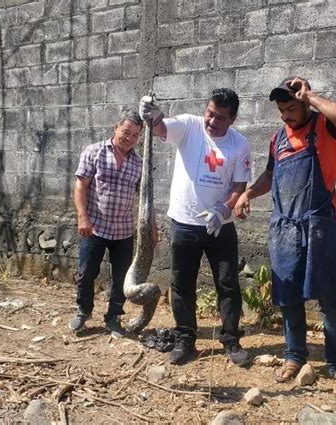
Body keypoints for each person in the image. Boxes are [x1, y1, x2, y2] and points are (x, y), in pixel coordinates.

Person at [234, 77, 336, 398]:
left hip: (319, 224)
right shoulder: (278, 139)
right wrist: (248, 193)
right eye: (281, 109)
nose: (285, 115)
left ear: (304, 103)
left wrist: (312, 96)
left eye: (291, 108)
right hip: (284, 227)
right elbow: (271, 174)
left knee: (328, 297)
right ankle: (294, 356)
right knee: (288, 295)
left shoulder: (324, 127)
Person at [139, 88, 252, 367]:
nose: (211, 122)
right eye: (210, 113)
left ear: (233, 119)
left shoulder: (239, 144)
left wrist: (223, 209)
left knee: (227, 283)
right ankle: (185, 339)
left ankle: (230, 339)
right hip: (184, 223)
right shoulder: (189, 126)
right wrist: (151, 115)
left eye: (220, 118)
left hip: (220, 227)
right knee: (182, 283)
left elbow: (240, 185)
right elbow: (161, 128)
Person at [68, 110, 149, 339]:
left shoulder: (138, 163)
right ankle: (83, 312)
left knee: (121, 278)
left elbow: (144, 198)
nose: (130, 138)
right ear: (115, 128)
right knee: (86, 272)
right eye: (126, 132)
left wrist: (151, 226)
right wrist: (82, 217)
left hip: (123, 230)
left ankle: (113, 317)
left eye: (135, 135)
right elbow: (81, 186)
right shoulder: (93, 151)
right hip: (94, 227)